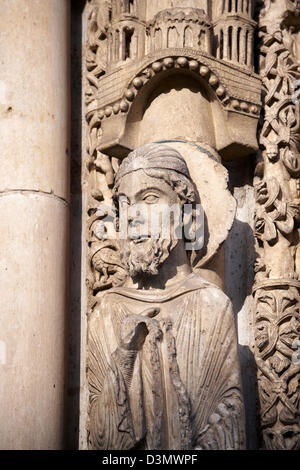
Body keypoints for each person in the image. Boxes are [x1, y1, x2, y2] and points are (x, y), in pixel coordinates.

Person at [87, 143, 245, 450]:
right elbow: (100, 438)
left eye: (148, 198)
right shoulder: (106, 311)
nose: (132, 215)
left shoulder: (210, 306)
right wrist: (125, 356)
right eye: (123, 204)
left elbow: (228, 424)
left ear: (186, 214)